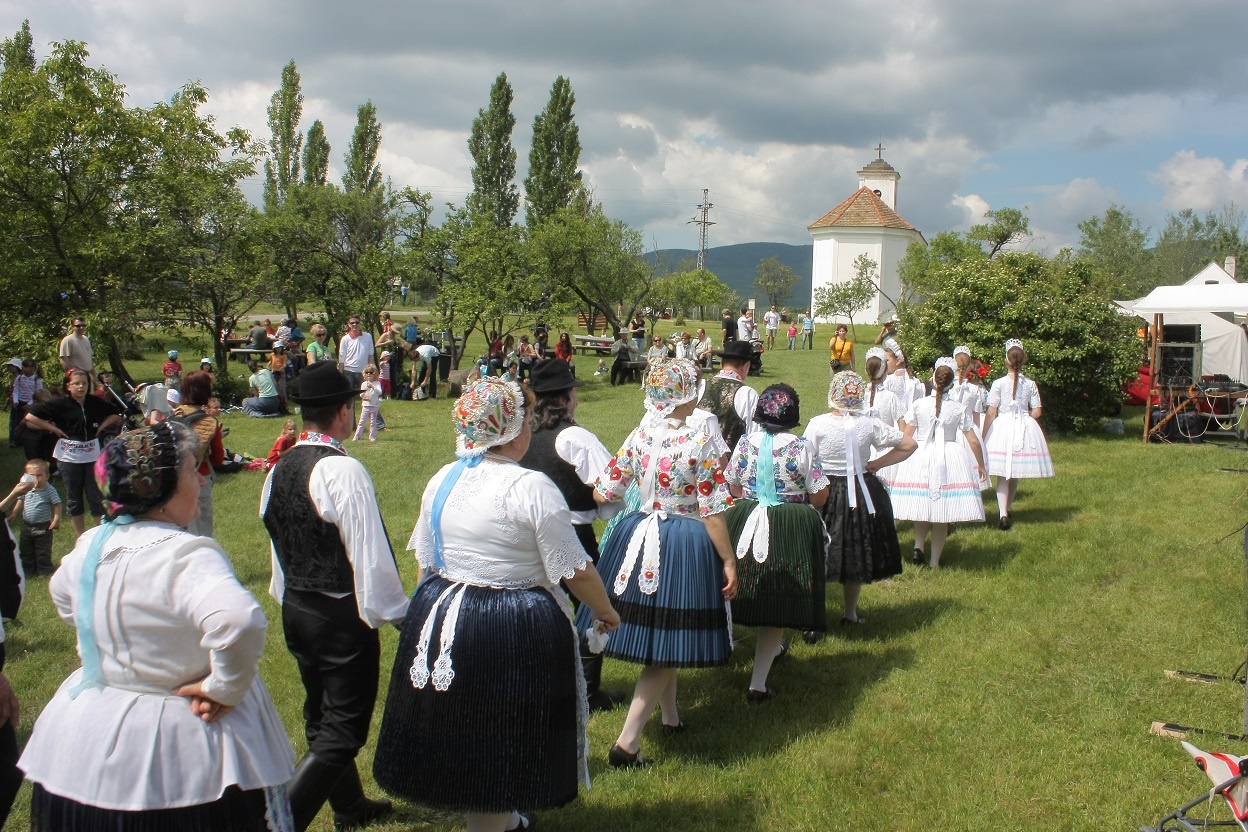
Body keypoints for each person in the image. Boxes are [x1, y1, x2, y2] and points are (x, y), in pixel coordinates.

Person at [18, 421, 296, 830]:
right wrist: (224, 686)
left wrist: (111, 636)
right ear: (160, 491)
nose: (200, 481)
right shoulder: (185, 554)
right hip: (184, 738)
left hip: (92, 727)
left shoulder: (92, 544)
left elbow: (62, 594)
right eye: (189, 472)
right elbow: (239, 621)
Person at [374, 376, 620, 832]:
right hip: (507, 621)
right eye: (526, 418)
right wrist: (605, 611)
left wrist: (423, 613)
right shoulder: (530, 486)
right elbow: (575, 569)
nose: (531, 425)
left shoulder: (443, 478)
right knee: (502, 727)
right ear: (510, 428)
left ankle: (499, 818)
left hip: (444, 611)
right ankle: (492, 821)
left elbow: (426, 561)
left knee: (472, 728)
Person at [260, 361, 408, 831]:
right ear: (344, 412)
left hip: (296, 607)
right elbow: (370, 555)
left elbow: (277, 540)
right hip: (339, 612)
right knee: (343, 730)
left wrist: (287, 595)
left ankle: (349, 805)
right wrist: (401, 615)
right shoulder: (342, 471)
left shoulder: (279, 468)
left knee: (320, 712)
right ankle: (277, 823)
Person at [574, 359, 737, 768]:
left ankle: (671, 717)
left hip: (637, 532)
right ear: (691, 395)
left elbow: (604, 490)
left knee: (666, 633)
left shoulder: (640, 433)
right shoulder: (700, 438)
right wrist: (729, 559)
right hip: (683, 539)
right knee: (668, 639)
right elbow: (713, 508)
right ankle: (627, 744)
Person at [518, 358, 626, 712]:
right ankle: (588, 691)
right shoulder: (576, 437)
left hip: (527, 534)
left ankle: (543, 678)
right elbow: (611, 485)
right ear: (565, 398)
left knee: (543, 605)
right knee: (590, 607)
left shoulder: (522, 434)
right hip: (573, 533)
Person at [722, 384, 829, 699]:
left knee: (738, 584)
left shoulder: (745, 442)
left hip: (746, 517)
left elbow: (731, 484)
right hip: (788, 523)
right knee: (777, 596)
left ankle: (723, 648)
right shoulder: (801, 446)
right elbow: (820, 495)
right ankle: (757, 683)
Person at [804, 371, 915, 635]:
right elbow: (909, 443)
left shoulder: (818, 424)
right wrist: (876, 464)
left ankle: (812, 621)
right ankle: (850, 614)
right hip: (861, 492)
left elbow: (805, 456)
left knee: (815, 553)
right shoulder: (869, 424)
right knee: (854, 548)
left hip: (825, 492)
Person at [891, 359, 988, 567]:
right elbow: (972, 439)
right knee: (942, 511)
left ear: (933, 380)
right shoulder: (958, 408)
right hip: (950, 456)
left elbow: (907, 437)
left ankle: (918, 546)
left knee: (923, 503)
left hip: (922, 455)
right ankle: (934, 561)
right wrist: (980, 464)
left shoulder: (919, 405)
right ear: (951, 383)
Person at [24, 369, 122, 537]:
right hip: (69, 457)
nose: (81, 387)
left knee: (95, 496)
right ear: (68, 386)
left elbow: (117, 412)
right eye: (76, 383)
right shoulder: (60, 404)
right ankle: (81, 538)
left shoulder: (94, 402)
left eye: (84, 383)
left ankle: (101, 536)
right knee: (74, 498)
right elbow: (30, 417)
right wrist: (53, 428)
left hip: (91, 455)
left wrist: (101, 427)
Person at [981, 339, 1054, 530]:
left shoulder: (998, 383)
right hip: (1023, 425)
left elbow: (991, 411)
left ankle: (1003, 512)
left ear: (1006, 360)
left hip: (1003, 427)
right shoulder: (1030, 384)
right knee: (1014, 472)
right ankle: (1008, 508)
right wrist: (1024, 416)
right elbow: (1037, 411)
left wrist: (983, 434)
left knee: (1003, 473)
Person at [170, 371, 224, 538]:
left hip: (173, 479)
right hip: (200, 477)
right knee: (201, 530)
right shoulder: (209, 421)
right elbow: (218, 458)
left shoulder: (174, 415)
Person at [694, 340, 760, 455]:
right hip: (728, 469)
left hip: (696, 462)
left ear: (721, 364)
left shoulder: (700, 385)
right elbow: (755, 438)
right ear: (746, 367)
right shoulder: (748, 394)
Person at [9, 459, 60, 576]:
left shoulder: (49, 490)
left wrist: (56, 519)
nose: (36, 478)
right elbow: (20, 500)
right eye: (32, 475)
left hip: (43, 527)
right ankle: (28, 569)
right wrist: (14, 513)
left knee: (43, 550)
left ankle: (44, 569)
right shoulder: (26, 489)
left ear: (47, 476)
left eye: (39, 475)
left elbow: (57, 504)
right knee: (26, 549)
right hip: (27, 525)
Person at [9, 358, 41, 449]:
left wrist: (30, 403)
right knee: (17, 422)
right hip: (20, 403)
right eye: (23, 367)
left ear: (32, 368)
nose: (23, 369)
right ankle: (15, 441)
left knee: (28, 423)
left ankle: (26, 441)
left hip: (31, 403)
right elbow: (16, 390)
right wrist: (15, 401)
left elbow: (38, 393)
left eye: (26, 367)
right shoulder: (19, 378)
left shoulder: (36, 379)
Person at [338, 315, 374, 389]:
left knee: (367, 394)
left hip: (364, 371)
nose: (355, 324)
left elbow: (371, 354)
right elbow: (341, 358)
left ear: (360, 323)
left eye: (357, 322)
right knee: (349, 395)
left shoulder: (368, 336)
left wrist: (371, 370)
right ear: (349, 325)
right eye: (352, 323)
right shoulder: (345, 339)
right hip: (348, 371)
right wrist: (340, 375)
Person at [57, 316, 94, 384]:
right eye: (78, 326)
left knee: (89, 394)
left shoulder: (86, 339)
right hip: (77, 377)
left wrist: (94, 376)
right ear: (73, 327)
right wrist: (72, 375)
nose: (81, 327)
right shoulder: (68, 340)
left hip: (88, 376)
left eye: (83, 325)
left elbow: (90, 359)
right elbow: (63, 360)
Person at [354, 365, 383, 442]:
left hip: (374, 405)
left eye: (371, 372)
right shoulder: (364, 384)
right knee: (361, 421)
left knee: (373, 422)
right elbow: (361, 395)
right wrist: (365, 390)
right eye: (367, 372)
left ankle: (372, 437)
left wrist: (373, 387)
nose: (368, 374)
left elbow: (380, 392)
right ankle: (357, 436)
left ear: (375, 374)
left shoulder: (377, 383)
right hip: (366, 405)